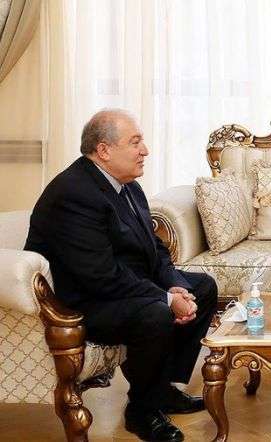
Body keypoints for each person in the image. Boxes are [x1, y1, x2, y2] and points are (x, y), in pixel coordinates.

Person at [25, 109, 217, 442]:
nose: (145, 150)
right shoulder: (74, 193)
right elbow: (99, 276)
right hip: (83, 302)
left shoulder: (128, 187)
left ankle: (161, 390)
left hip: (119, 286)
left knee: (203, 287)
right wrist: (165, 299)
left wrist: (175, 285)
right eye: (135, 142)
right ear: (104, 150)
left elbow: (155, 250)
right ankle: (141, 411)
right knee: (156, 313)